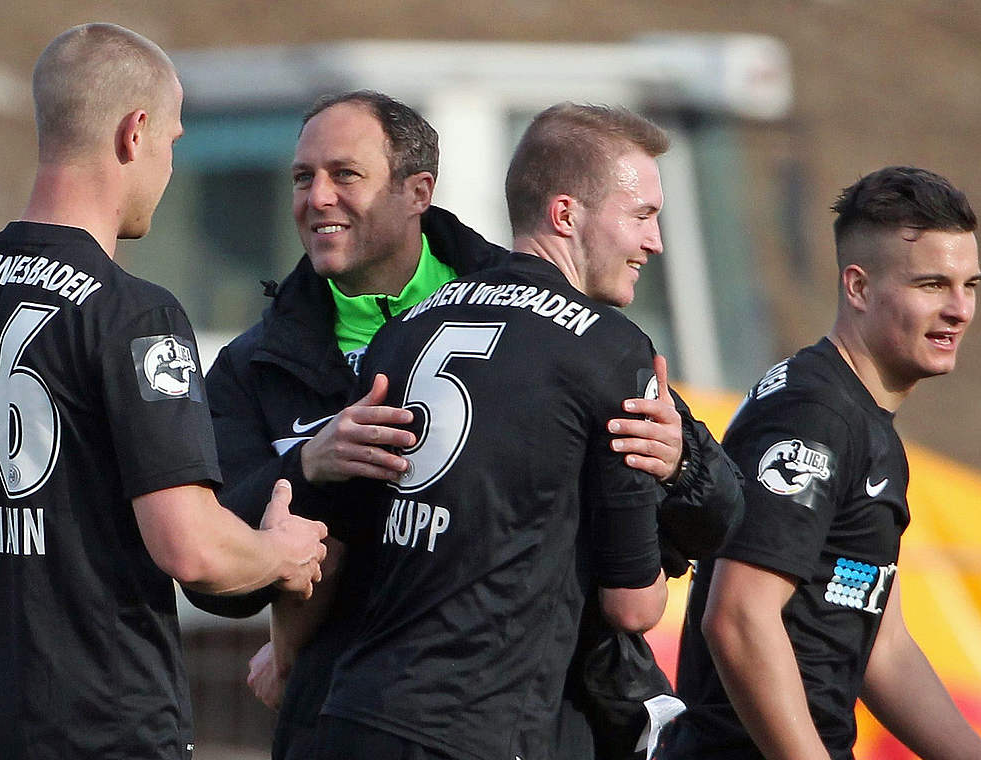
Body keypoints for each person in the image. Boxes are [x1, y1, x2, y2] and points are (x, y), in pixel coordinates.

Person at [188, 92, 741, 760]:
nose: (319, 197)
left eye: (346, 174)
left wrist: (683, 460)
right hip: (349, 712)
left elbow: (710, 519)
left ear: (418, 190)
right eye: (303, 178)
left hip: (543, 712)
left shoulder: (561, 327)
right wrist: (306, 467)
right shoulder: (254, 366)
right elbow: (212, 561)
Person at [0, 23, 327, 760]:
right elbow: (190, 546)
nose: (168, 164)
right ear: (135, 133)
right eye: (172, 140)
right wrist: (279, 552)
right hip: (101, 735)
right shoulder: (134, 313)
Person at [660, 166, 981, 760]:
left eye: (969, 285)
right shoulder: (814, 415)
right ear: (859, 288)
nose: (958, 309)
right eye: (931, 285)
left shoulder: (866, 425)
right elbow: (738, 617)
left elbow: (883, 647)